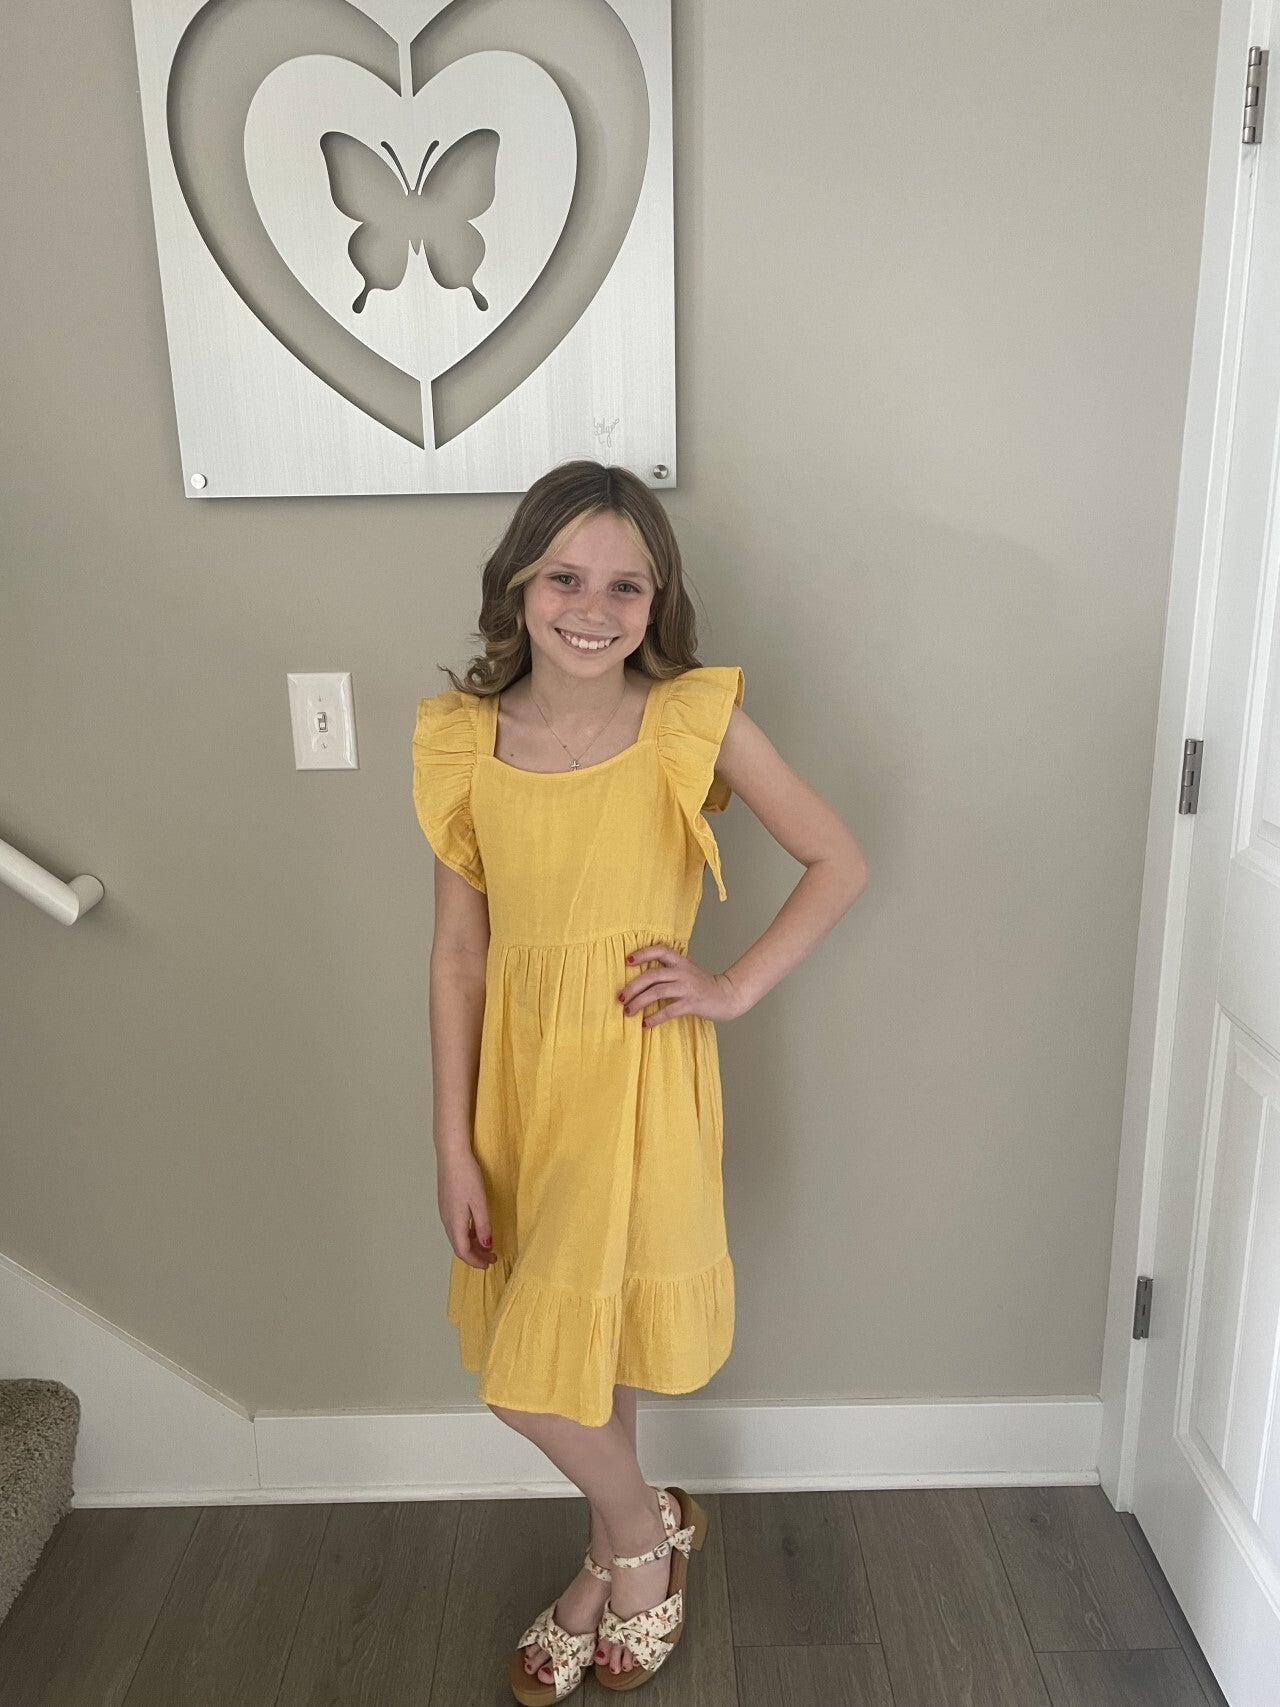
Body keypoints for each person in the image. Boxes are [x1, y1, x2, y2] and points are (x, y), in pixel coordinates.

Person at [411, 458, 869, 1700]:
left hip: (633, 1078)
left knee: (567, 1357)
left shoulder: (686, 722)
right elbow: (460, 957)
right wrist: (451, 1143)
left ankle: (629, 1548)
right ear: (518, 580)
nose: (591, 606)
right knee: (550, 1355)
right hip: (517, 1086)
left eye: (625, 583)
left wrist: (726, 989)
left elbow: (834, 857)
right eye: (564, 574)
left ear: (654, 600)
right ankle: (635, 1531)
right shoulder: (464, 739)